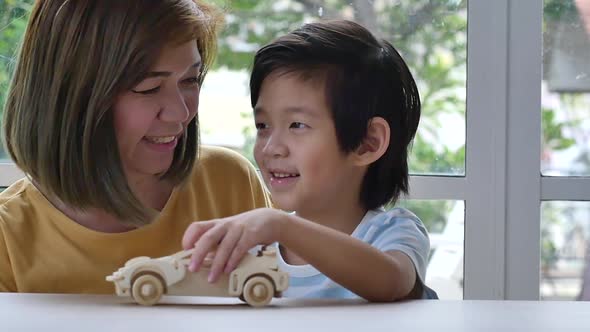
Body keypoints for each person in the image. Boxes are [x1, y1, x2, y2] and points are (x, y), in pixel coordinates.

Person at [0, 0, 270, 293]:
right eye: (149, 88)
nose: (181, 113)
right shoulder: (8, 236)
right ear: (71, 97)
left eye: (190, 80)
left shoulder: (228, 181)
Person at [182, 19, 438, 301]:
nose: (271, 148)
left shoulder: (392, 232)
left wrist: (281, 225)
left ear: (368, 143)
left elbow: (391, 282)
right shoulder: (259, 251)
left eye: (297, 125)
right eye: (263, 126)